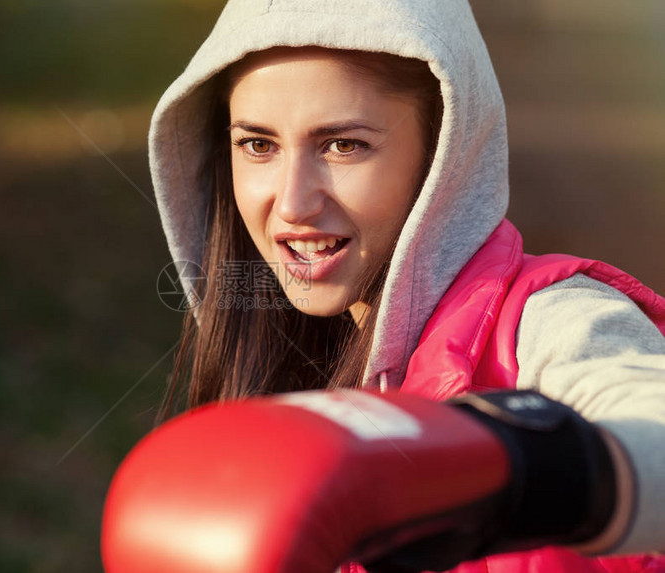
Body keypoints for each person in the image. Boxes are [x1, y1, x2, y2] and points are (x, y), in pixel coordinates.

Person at [145, 0, 665, 570]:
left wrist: (519, 464)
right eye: (258, 145)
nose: (292, 203)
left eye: (344, 145)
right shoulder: (283, 364)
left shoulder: (550, 323)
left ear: (444, 156)